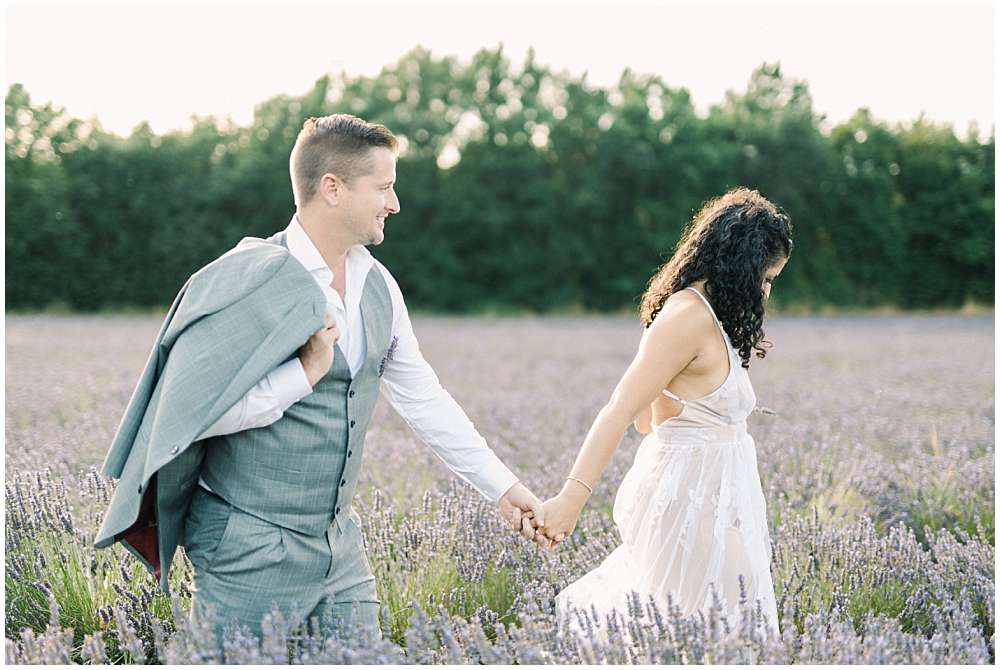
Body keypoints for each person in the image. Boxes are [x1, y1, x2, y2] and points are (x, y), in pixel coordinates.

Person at [95, 114, 546, 649]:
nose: (394, 203)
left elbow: (424, 399)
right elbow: (194, 415)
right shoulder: (250, 279)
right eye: (383, 187)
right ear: (332, 188)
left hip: (337, 545)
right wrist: (303, 373)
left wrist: (505, 489)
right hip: (247, 542)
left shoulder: (379, 285)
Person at [537, 187, 792, 638]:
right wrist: (570, 501)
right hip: (689, 498)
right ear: (742, 265)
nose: (767, 291)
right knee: (692, 631)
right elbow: (620, 410)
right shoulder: (687, 317)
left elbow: (649, 420)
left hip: (717, 494)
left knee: (718, 629)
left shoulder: (712, 315)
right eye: (766, 278)